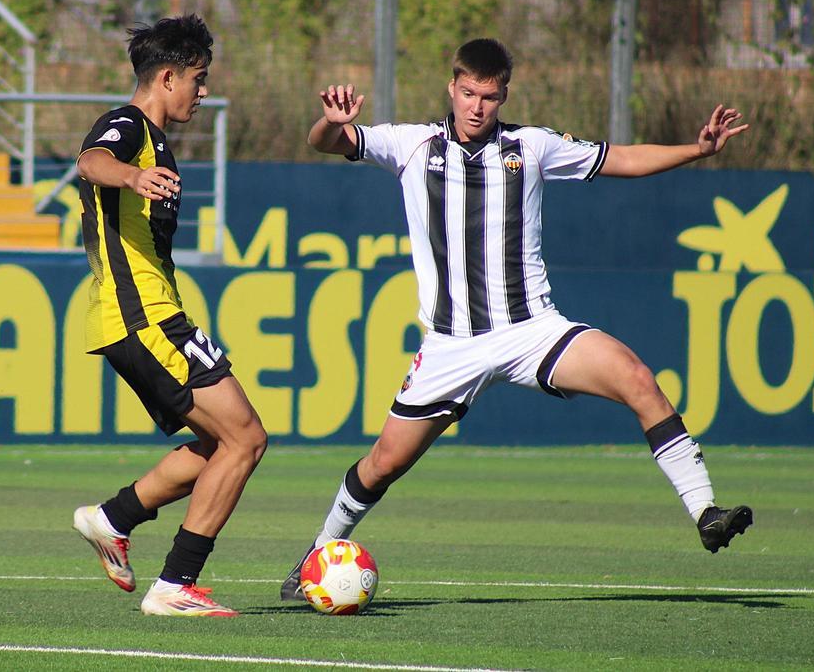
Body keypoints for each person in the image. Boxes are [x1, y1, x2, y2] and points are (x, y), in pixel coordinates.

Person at [280, 38, 753, 600]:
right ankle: (314, 559)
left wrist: (696, 151)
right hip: (452, 344)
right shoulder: (411, 145)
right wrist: (330, 122)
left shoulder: (531, 147)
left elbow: (620, 159)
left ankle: (704, 511)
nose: (478, 106)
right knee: (383, 464)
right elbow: (328, 142)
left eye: (490, 96)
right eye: (469, 93)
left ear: (504, 95)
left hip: (531, 330)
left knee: (636, 377)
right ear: (451, 88)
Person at [72, 14, 267, 618]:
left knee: (219, 444)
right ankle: (174, 584)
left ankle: (114, 518)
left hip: (146, 317)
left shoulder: (154, 139)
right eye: (198, 80)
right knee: (247, 439)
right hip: (143, 319)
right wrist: (131, 174)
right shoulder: (127, 125)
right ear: (167, 77)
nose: (203, 92)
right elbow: (90, 161)